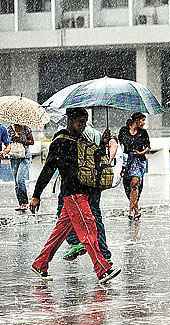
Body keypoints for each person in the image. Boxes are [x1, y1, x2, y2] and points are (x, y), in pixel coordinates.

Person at [29, 107, 120, 284]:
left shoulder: (81, 139)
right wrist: (36, 195)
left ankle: (40, 264)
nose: (83, 126)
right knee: (89, 229)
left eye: (85, 122)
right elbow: (48, 169)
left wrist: (103, 143)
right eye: (80, 122)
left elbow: (95, 161)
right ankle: (102, 269)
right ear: (70, 120)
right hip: (73, 194)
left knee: (59, 233)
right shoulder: (60, 141)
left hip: (81, 193)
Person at [61, 121, 117, 262]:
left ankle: (76, 242)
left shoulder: (73, 135)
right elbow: (109, 150)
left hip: (78, 183)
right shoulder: (97, 134)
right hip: (95, 181)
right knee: (95, 216)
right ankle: (104, 254)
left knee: (65, 213)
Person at [118, 112, 151, 220]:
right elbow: (118, 145)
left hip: (139, 160)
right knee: (128, 186)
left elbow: (148, 147)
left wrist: (141, 153)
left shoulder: (143, 133)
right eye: (142, 120)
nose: (143, 123)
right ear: (136, 120)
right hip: (126, 161)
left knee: (135, 183)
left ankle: (131, 210)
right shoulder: (123, 131)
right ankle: (136, 209)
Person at [7, 124, 34, 211]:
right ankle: (21, 203)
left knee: (20, 179)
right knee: (16, 182)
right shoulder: (10, 129)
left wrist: (21, 139)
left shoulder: (26, 128)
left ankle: (25, 202)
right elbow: (7, 141)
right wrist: (12, 138)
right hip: (14, 157)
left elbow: (32, 142)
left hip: (25, 157)